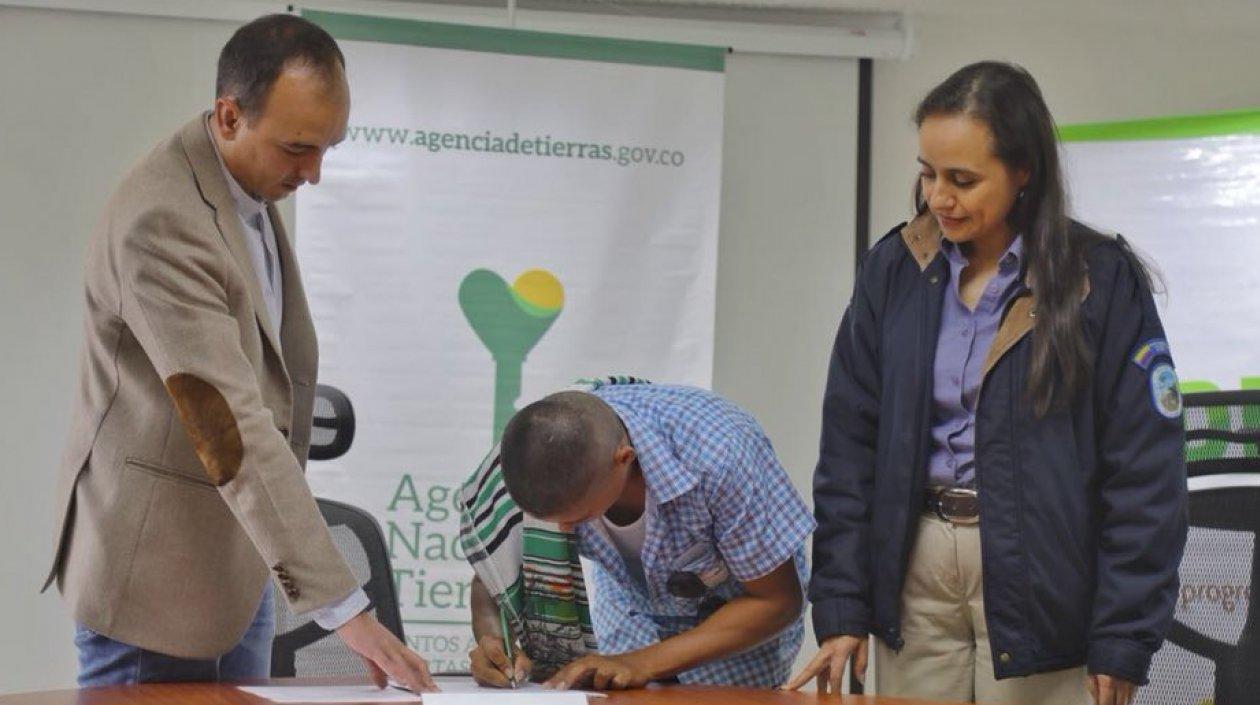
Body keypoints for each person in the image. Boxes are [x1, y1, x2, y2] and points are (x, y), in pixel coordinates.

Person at [43, 15, 435, 690]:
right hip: (151, 588)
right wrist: (348, 609)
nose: (313, 172)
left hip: (236, 571)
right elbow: (229, 421)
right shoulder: (162, 219)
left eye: (327, 148)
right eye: (297, 148)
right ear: (228, 116)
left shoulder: (244, 181)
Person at [785, 62, 1187, 705]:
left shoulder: (1099, 280)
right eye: (927, 173)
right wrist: (840, 605)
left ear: (1023, 171)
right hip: (913, 577)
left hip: (1046, 584)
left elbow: (1145, 471)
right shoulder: (895, 267)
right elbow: (849, 449)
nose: (939, 197)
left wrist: (1123, 636)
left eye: (963, 180)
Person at [465, 382, 814, 689]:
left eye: (580, 517)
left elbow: (776, 602)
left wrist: (640, 663)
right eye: (547, 521)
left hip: (734, 641)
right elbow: (492, 579)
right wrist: (492, 641)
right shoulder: (531, 458)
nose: (564, 530)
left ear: (624, 459)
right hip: (630, 618)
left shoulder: (721, 456)